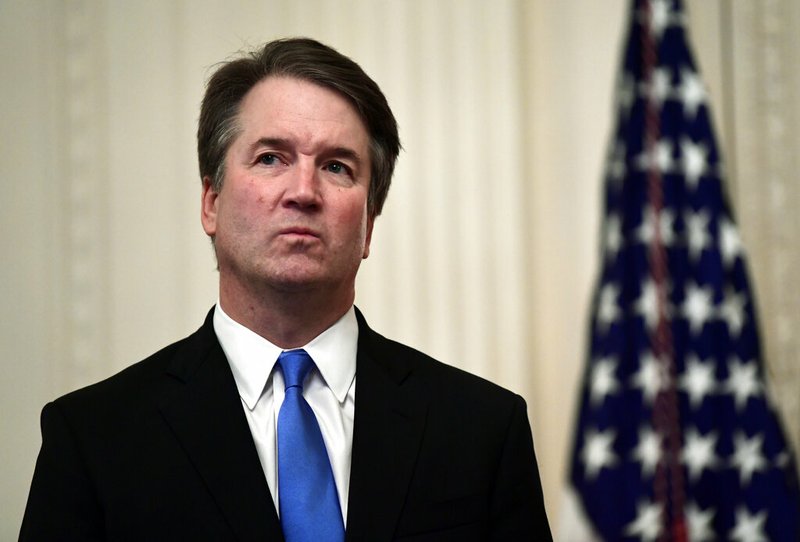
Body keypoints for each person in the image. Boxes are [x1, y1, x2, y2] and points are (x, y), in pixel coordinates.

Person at [20, 37, 551, 541]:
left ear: (368, 222)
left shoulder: (481, 430)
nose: (303, 191)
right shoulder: (94, 439)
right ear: (211, 202)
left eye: (337, 167)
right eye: (271, 158)